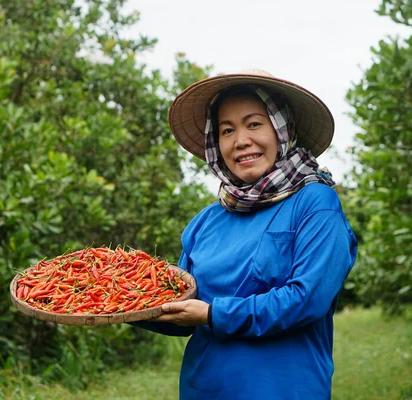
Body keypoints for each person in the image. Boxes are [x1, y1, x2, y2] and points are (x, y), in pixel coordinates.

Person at [134, 69, 358, 400]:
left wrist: (213, 314)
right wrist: (123, 304)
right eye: (227, 130)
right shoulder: (205, 222)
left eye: (254, 124)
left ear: (283, 129)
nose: (241, 141)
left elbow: (306, 299)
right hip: (204, 389)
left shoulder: (315, 203)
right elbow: (183, 312)